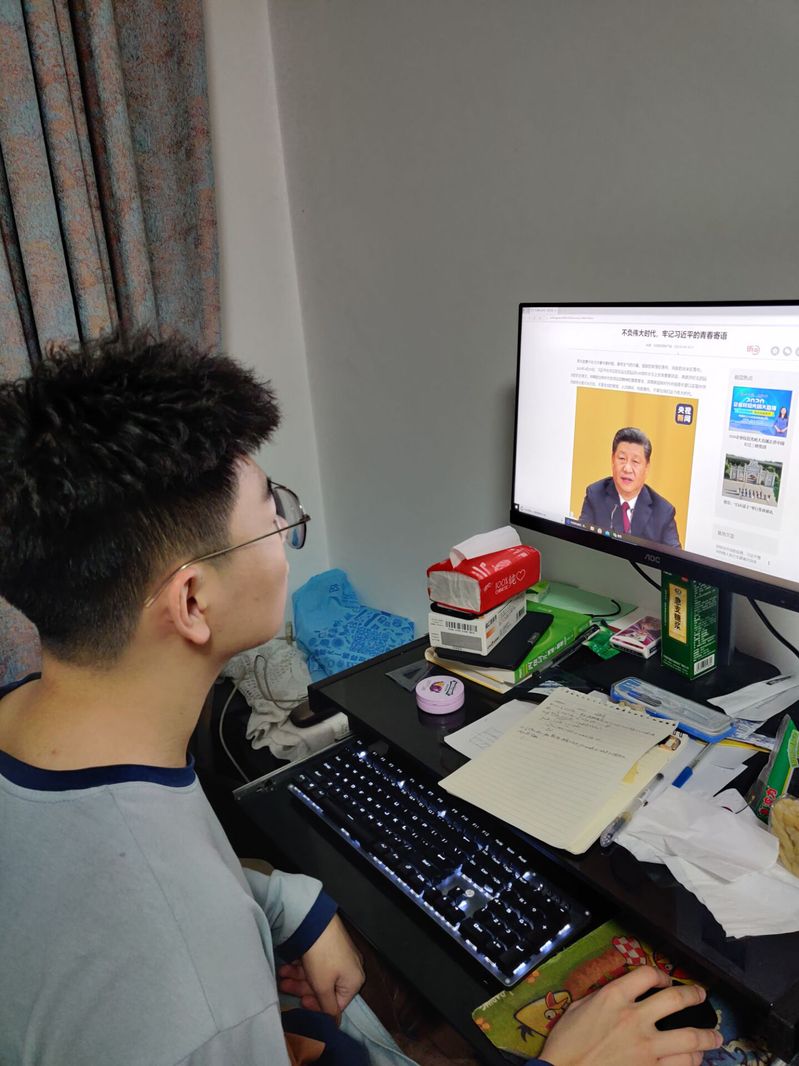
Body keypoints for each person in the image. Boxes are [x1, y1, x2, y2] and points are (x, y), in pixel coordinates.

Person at [0, 335, 721, 1066]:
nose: (286, 533)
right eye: (273, 514)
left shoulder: (40, 731)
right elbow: (168, 941)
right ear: (192, 601)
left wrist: (292, 904)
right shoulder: (196, 1001)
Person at [578, 427, 681, 548]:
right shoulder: (595, 495)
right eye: (622, 459)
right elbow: (580, 543)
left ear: (646, 467)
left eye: (635, 461)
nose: (627, 469)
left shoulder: (663, 512)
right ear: (612, 460)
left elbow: (674, 557)